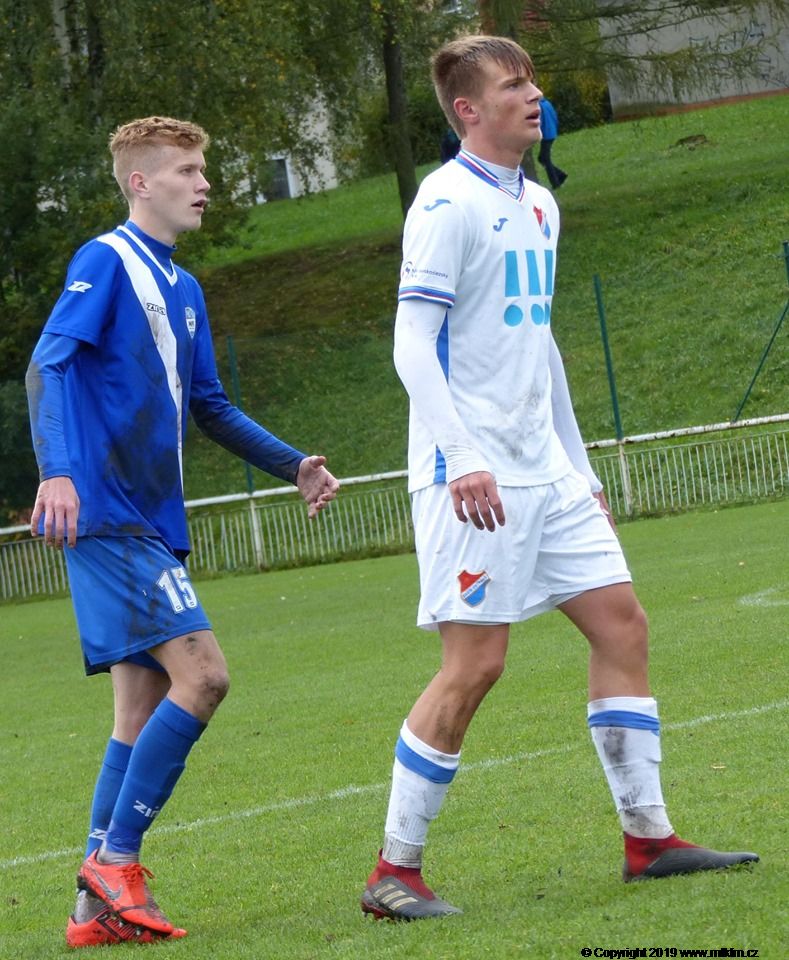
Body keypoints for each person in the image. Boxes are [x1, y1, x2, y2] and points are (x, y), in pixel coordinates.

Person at [359, 35, 758, 922]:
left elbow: (536, 342)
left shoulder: (538, 203)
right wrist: (463, 454)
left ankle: (648, 840)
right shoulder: (444, 202)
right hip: (470, 476)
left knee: (621, 625)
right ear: (469, 109)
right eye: (514, 85)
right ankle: (394, 871)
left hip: (545, 473)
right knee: (476, 665)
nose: (534, 95)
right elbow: (411, 344)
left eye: (532, 81)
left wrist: (577, 467)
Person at [25, 116, 339, 948]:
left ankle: (92, 912)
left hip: (153, 521)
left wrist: (292, 465)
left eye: (203, 170)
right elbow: (48, 363)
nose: (205, 185)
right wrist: (58, 471)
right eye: (188, 171)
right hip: (108, 513)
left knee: (139, 708)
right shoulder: (106, 259)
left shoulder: (185, 287)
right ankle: (116, 862)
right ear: (141, 183)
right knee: (203, 677)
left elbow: (210, 405)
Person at [537, 96, 567, 189]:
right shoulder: (547, 103)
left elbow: (540, 121)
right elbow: (555, 116)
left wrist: (538, 134)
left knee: (545, 159)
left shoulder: (539, 106)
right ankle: (560, 175)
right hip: (552, 133)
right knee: (542, 158)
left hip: (546, 134)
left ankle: (556, 182)